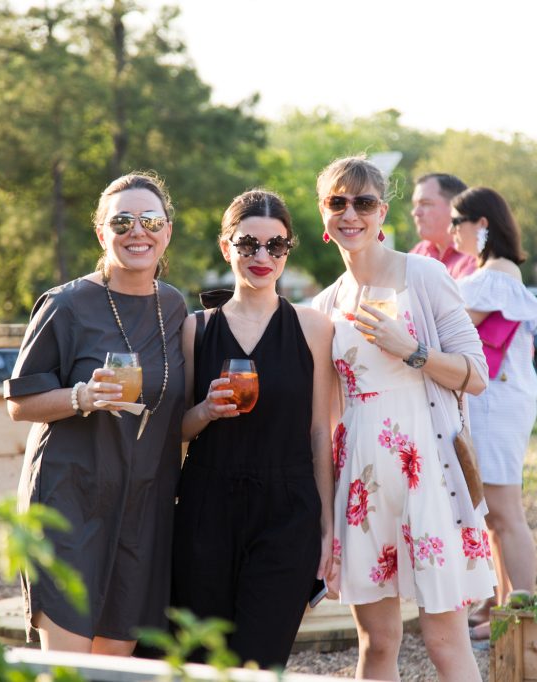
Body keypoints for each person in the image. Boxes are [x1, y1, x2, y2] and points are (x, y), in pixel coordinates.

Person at [313, 156, 495, 682]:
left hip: (428, 475)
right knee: (376, 644)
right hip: (363, 485)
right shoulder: (326, 304)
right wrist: (325, 518)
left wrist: (411, 349)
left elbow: (476, 375)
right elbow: (326, 420)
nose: (351, 213)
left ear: (382, 212)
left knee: (445, 643)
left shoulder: (424, 275)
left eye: (363, 202)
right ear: (323, 212)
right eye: (338, 202)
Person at [4, 172, 186, 655]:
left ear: (167, 231)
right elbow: (19, 403)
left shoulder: (173, 306)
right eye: (122, 221)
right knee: (68, 667)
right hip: (69, 501)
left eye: (150, 221)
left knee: (116, 667)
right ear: (102, 233)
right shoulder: (65, 304)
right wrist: (81, 397)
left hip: (142, 509)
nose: (137, 232)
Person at [172, 189, 336, 669]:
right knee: (202, 661)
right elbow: (177, 430)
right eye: (248, 244)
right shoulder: (196, 329)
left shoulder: (314, 328)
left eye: (275, 245)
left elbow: (319, 432)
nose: (262, 257)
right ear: (227, 247)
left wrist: (327, 526)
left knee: (260, 663)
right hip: (206, 508)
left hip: (287, 511)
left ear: (288, 250)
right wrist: (206, 410)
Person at [449, 187, 537, 642]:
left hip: (497, 402)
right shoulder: (496, 275)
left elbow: (448, 322)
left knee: (506, 511)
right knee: (494, 514)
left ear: (482, 224)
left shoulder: (494, 278)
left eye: (457, 221)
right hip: (499, 399)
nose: (453, 231)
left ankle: (520, 614)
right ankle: (505, 607)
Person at [410, 173, 476, 279]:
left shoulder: (476, 255)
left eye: (425, 203)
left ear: (455, 207)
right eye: (415, 205)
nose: (415, 212)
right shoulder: (420, 251)